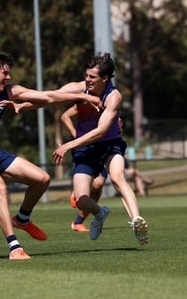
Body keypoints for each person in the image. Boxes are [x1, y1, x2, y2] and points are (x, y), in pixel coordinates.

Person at [0, 51, 101, 260]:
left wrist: (82, 96)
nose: (9, 77)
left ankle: (23, 218)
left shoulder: (9, 91)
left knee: (42, 179)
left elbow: (48, 96)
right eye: (5, 73)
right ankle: (14, 248)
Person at [52, 53, 148, 244]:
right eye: (86, 75)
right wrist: (20, 104)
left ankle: (137, 220)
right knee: (80, 199)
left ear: (105, 78)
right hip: (85, 149)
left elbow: (100, 131)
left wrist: (68, 145)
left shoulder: (113, 97)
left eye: (92, 77)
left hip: (108, 143)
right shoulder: (80, 89)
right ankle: (100, 213)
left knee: (118, 177)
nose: (87, 80)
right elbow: (49, 97)